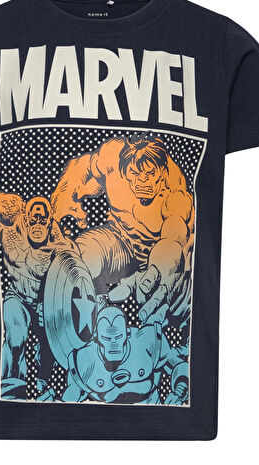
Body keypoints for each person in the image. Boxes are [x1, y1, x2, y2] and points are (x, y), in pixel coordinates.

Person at [51, 134, 195, 327]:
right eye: (135, 173)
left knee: (169, 298)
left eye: (150, 174)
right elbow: (82, 167)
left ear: (161, 173)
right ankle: (62, 307)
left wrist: (162, 264)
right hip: (120, 239)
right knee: (83, 251)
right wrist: (62, 202)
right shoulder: (112, 157)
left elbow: (174, 233)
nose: (143, 181)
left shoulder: (175, 190)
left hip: (158, 257)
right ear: (126, 171)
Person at [0, 193, 77, 399]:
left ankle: (44, 377)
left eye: (43, 220)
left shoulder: (61, 242)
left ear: (49, 221)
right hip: (18, 296)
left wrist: (51, 303)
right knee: (16, 336)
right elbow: (32, 264)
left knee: (54, 346)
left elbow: (74, 271)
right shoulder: (10, 235)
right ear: (26, 218)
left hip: (47, 301)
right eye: (34, 219)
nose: (38, 225)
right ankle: (12, 389)